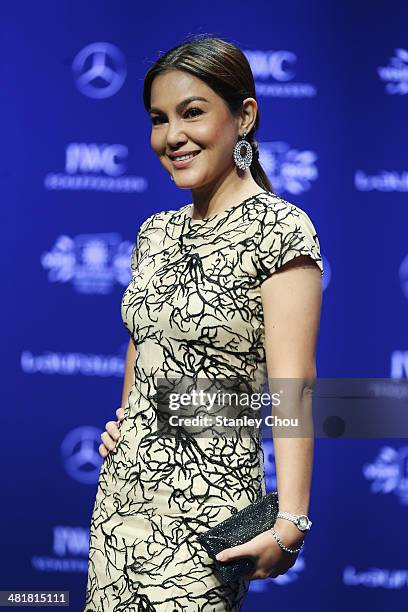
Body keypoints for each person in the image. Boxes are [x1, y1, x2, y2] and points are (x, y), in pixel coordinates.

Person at [84, 34, 324, 612]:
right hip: (119, 507)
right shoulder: (154, 233)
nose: (172, 137)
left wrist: (290, 521)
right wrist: (125, 422)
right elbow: (143, 345)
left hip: (205, 518)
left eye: (192, 113)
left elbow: (295, 385)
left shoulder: (281, 229)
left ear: (244, 117)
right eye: (159, 119)